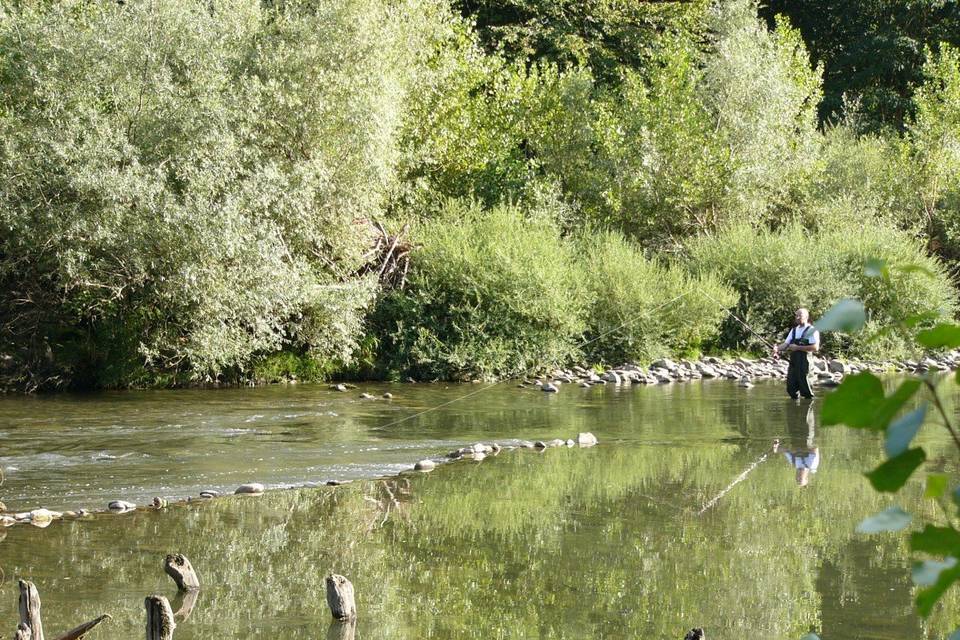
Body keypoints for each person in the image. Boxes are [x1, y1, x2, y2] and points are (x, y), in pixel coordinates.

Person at [772, 308, 820, 399]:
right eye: (796, 315)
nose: (797, 317)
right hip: (793, 364)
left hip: (805, 364)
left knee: (807, 391)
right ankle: (794, 410)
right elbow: (786, 345)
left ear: (806, 317)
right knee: (791, 389)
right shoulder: (793, 330)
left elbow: (815, 348)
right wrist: (777, 348)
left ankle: (808, 409)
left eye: (800, 315)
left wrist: (798, 347)